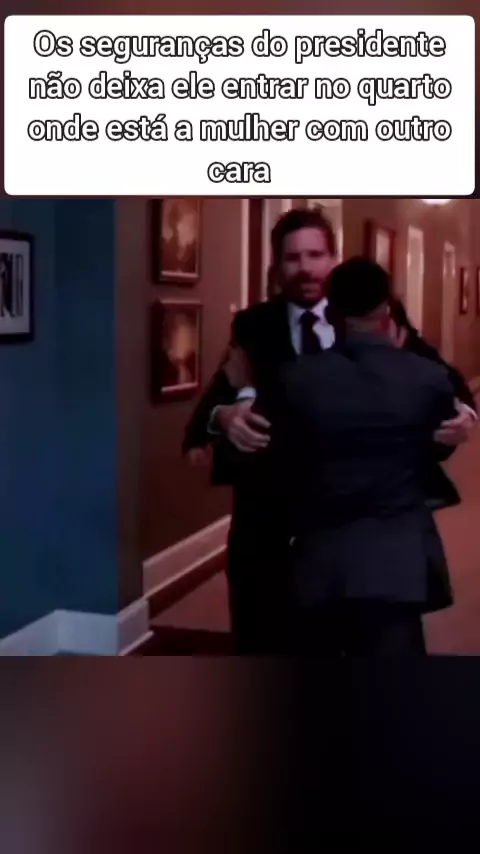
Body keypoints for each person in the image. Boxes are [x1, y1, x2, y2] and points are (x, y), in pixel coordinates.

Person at [260, 258, 458, 656]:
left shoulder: (295, 379)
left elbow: (278, 458)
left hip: (321, 554)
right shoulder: (428, 378)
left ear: (331, 310)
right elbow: (438, 445)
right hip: (397, 556)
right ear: (387, 308)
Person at [183, 207, 338, 652]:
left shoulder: (368, 319)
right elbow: (211, 404)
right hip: (262, 526)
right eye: (293, 257)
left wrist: (463, 409)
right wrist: (224, 417)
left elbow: (433, 374)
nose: (305, 268)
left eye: (315, 255)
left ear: (333, 259)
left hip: (340, 524)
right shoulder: (253, 325)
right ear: (277, 266)